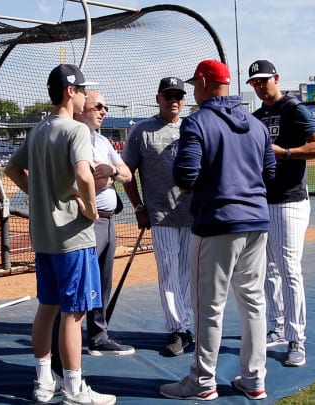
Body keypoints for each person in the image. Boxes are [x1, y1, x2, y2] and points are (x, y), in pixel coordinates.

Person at [160, 59, 275, 401]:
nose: (193, 91)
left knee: (208, 306)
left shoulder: (197, 122)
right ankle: (254, 380)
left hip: (217, 224)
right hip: (257, 221)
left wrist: (208, 187)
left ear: (208, 84)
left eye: (196, 84)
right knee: (253, 303)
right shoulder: (257, 125)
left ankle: (201, 381)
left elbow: (185, 176)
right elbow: (269, 173)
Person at [4, 63, 115, 405]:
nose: (85, 96)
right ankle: (74, 388)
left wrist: (39, 194)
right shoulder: (75, 130)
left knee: (47, 308)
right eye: (82, 90)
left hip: (45, 237)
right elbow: (84, 173)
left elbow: (11, 168)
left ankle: (43, 382)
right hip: (73, 237)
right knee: (74, 312)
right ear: (70, 92)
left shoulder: (38, 130)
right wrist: (91, 209)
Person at [247, 59, 315, 367]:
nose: (258, 86)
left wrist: (286, 153)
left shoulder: (294, 109)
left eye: (263, 80)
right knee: (267, 269)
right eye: (254, 82)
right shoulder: (256, 117)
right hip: (262, 200)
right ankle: (277, 327)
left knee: (289, 269)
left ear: (276, 78)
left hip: (290, 200)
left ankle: (297, 339)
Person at [50, 90, 134, 375]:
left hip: (109, 221)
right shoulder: (74, 137)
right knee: (78, 288)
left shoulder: (102, 141)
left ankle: (98, 337)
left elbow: (127, 173)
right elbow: (77, 177)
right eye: (97, 106)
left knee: (103, 283)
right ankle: (61, 357)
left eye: (105, 107)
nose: (103, 111)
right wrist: (102, 176)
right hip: (85, 222)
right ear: (80, 109)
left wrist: (109, 171)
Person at [122, 77, 195, 357]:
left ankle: (185, 324)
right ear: (158, 98)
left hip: (193, 214)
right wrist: (139, 208)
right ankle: (176, 329)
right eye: (168, 95)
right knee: (169, 273)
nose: (173, 100)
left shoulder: (193, 127)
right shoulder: (143, 131)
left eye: (178, 95)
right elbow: (127, 174)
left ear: (184, 100)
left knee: (189, 273)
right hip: (161, 215)